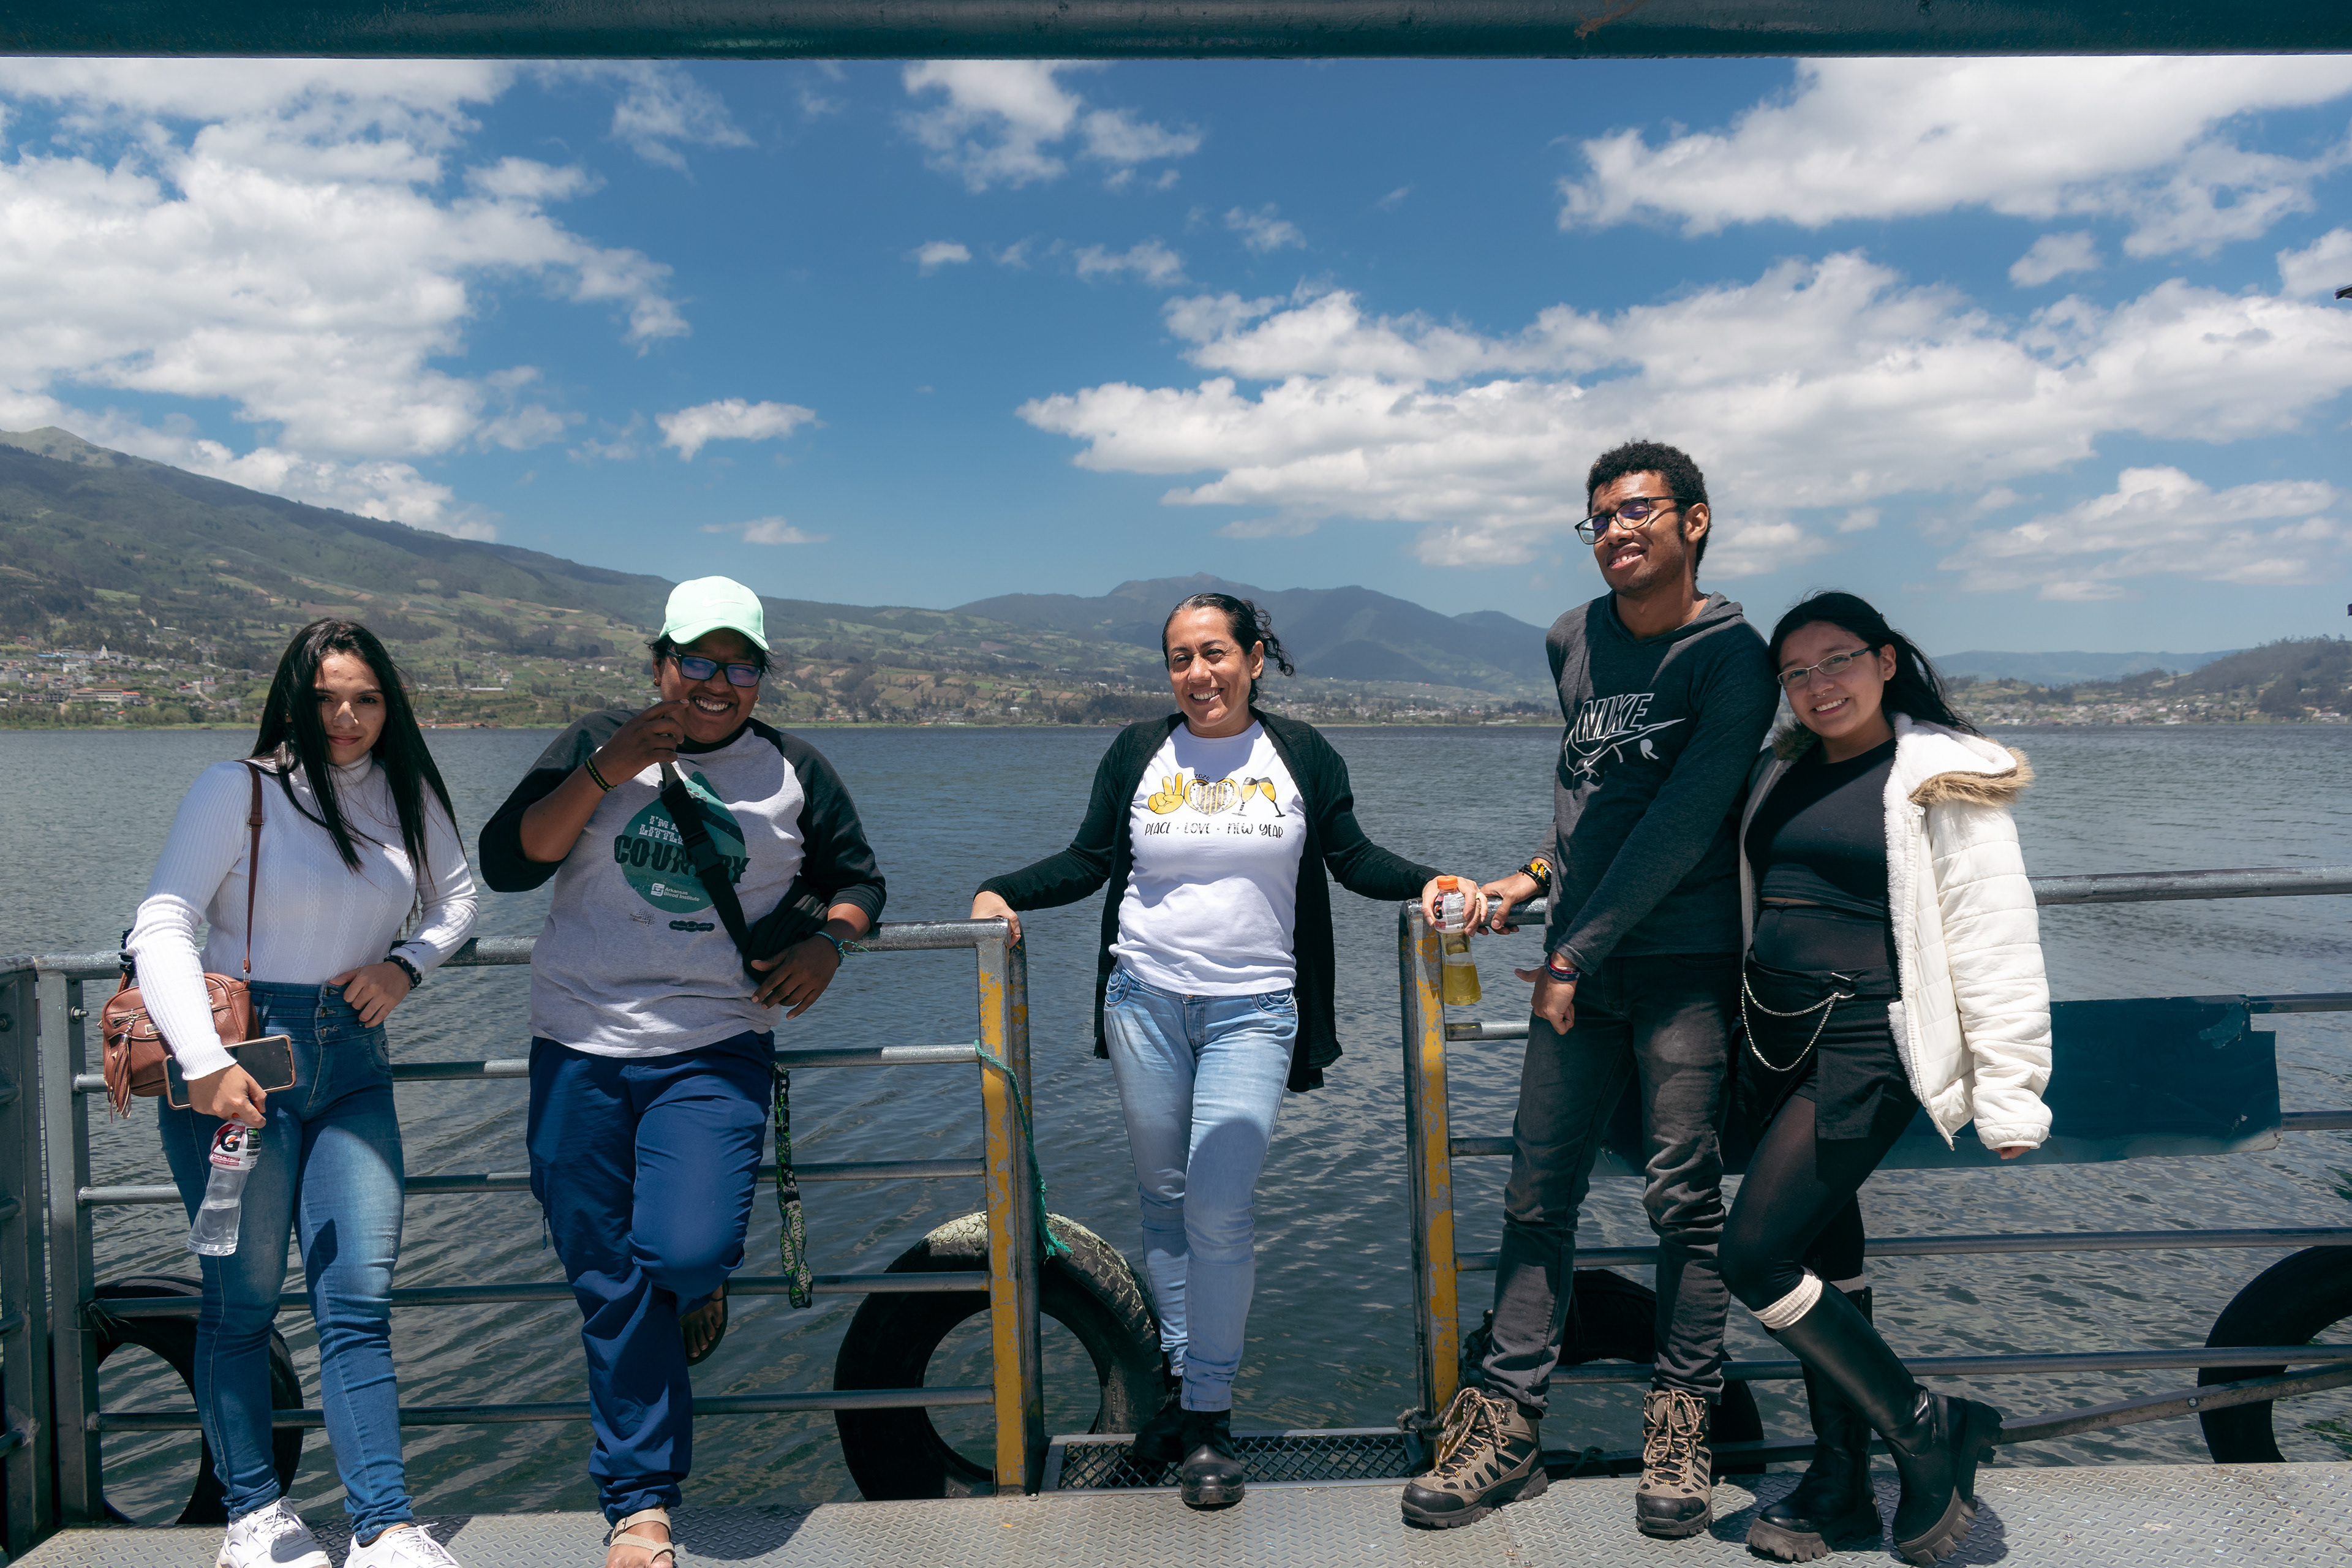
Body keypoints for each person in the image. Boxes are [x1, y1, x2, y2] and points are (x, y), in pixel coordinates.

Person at [970, 592, 1485, 1512]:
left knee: (1217, 1204)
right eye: (1180, 658)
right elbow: (1090, 860)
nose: (1198, 674)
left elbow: (1353, 858)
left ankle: (1210, 1414)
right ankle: (1180, 1390)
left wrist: (1431, 880)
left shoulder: (1300, 753)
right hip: (1142, 1000)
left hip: (1256, 1009)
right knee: (1165, 1204)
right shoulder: (1139, 751)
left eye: (1214, 654)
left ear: (1253, 658)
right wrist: (999, 890)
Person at [1401, 441, 1778, 1536]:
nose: (1616, 531)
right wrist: (1531, 879)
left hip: (1681, 971)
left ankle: (1683, 1428)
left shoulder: (1733, 658)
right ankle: (1508, 1427)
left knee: (1683, 1203)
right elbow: (1593, 801)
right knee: (1536, 1194)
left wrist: (1573, 955)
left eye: (1638, 511)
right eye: (1599, 517)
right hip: (1578, 966)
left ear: (1694, 521)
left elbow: (1681, 825)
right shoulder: (1571, 637)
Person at [478, 578, 884, 1568]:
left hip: (712, 1044)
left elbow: (858, 878)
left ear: (761, 677)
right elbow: (511, 861)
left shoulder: (793, 769)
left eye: (740, 666)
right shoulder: (596, 739)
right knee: (609, 1281)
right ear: (660, 662)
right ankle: (642, 1506)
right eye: (697, 660)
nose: (717, 682)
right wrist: (605, 769)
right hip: (577, 1043)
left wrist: (830, 945)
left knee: (688, 1251)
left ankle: (696, 1287)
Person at [129, 619, 478, 1568]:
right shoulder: (237, 788)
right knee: (242, 1303)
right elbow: (162, 922)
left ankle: (384, 1525)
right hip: (242, 1067)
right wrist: (202, 1059)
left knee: (356, 1303)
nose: (346, 717)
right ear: (293, 699)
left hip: (353, 1063)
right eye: (326, 698)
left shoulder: (408, 794)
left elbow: (458, 900)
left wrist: (407, 964)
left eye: (366, 698)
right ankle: (253, 1515)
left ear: (389, 704)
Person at [1724, 592, 2051, 1566]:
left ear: (1886, 660)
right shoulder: (1777, 771)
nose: (1818, 684)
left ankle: (1924, 1425)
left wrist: (2010, 1090)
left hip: (1866, 1043)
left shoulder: (1942, 776)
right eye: (1796, 672)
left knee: (1755, 1257)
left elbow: (1994, 936)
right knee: (1826, 1256)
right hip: (1772, 1038)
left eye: (1838, 660)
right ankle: (1838, 1483)